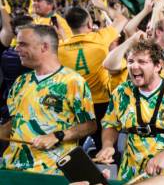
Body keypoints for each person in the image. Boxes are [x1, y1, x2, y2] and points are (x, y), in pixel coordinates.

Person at [93, 39, 164, 180]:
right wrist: (108, 145)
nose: (134, 66)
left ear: (158, 66)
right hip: (129, 175)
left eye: (142, 62)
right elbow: (110, 124)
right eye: (131, 61)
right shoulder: (122, 92)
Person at [0, 25, 96, 174]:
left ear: (44, 47)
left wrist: (57, 136)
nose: (16, 49)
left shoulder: (73, 81)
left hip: (50, 171)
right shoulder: (21, 81)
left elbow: (89, 125)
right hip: (12, 168)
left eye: (22, 44)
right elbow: (15, 123)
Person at [58, 4, 128, 155]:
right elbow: (122, 19)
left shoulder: (60, 48)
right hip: (101, 103)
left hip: (76, 105)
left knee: (75, 148)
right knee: (106, 146)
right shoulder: (100, 38)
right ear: (90, 24)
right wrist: (102, 6)